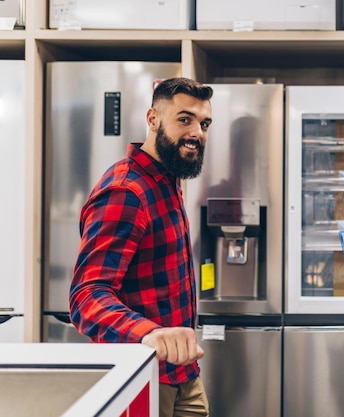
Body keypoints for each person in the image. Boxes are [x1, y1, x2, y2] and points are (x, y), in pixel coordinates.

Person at [69, 77, 214, 417]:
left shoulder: (167, 180)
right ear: (153, 120)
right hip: (143, 376)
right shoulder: (126, 192)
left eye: (204, 123)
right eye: (184, 119)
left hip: (183, 374)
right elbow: (87, 295)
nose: (198, 132)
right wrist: (149, 333)